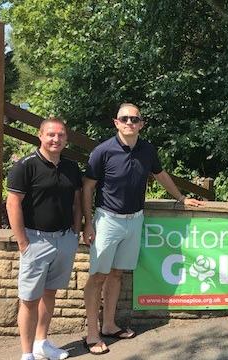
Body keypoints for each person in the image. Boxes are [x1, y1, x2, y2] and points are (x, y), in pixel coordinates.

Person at [82, 103, 205, 354]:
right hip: (107, 220)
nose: (130, 123)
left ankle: (108, 326)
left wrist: (182, 199)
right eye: (124, 119)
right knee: (97, 277)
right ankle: (92, 334)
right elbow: (87, 187)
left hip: (135, 219)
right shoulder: (102, 151)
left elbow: (160, 175)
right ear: (116, 123)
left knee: (117, 274)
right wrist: (87, 222)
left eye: (135, 119)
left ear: (141, 124)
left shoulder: (147, 150)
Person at [7, 117, 82, 360]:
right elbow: (13, 203)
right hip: (35, 240)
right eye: (51, 134)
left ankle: (42, 343)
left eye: (60, 135)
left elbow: (77, 201)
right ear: (40, 135)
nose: (56, 139)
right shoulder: (25, 166)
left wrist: (75, 230)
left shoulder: (71, 167)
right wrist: (22, 242)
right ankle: (27, 353)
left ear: (66, 139)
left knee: (50, 293)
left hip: (64, 239)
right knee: (29, 299)